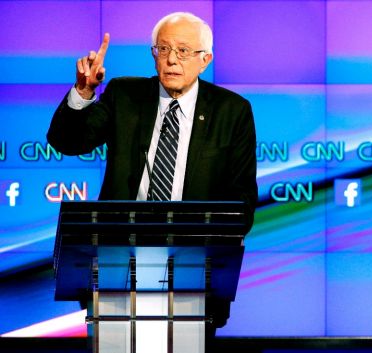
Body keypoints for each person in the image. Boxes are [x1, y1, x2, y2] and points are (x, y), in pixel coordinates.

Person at [47, 12, 257, 332]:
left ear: (205, 60)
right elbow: (67, 142)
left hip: (192, 273)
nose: (172, 60)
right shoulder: (125, 96)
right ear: (153, 55)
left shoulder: (232, 111)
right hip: (117, 266)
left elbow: (242, 203)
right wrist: (83, 92)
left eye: (183, 51)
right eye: (163, 49)